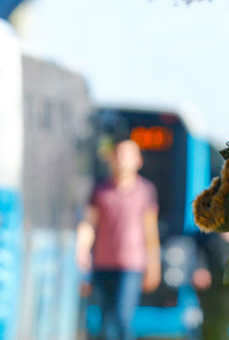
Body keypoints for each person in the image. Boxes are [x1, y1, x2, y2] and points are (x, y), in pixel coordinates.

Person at [77, 139, 162, 340]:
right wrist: (82, 250)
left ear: (138, 161)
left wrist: (154, 265)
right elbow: (89, 224)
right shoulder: (99, 190)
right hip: (102, 263)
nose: (123, 160)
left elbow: (151, 232)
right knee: (104, 321)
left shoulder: (145, 191)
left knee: (122, 318)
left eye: (128, 155)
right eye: (119, 155)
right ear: (112, 159)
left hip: (131, 265)